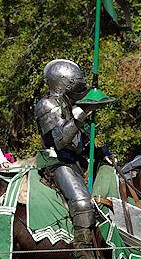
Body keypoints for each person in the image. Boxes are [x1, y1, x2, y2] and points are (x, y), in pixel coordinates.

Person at [34, 60, 113, 235]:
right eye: (74, 86)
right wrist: (80, 116)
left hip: (75, 160)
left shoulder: (69, 105)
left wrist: (99, 152)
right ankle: (85, 257)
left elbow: (78, 142)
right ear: (62, 83)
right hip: (56, 162)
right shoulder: (47, 105)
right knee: (82, 203)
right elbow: (60, 140)